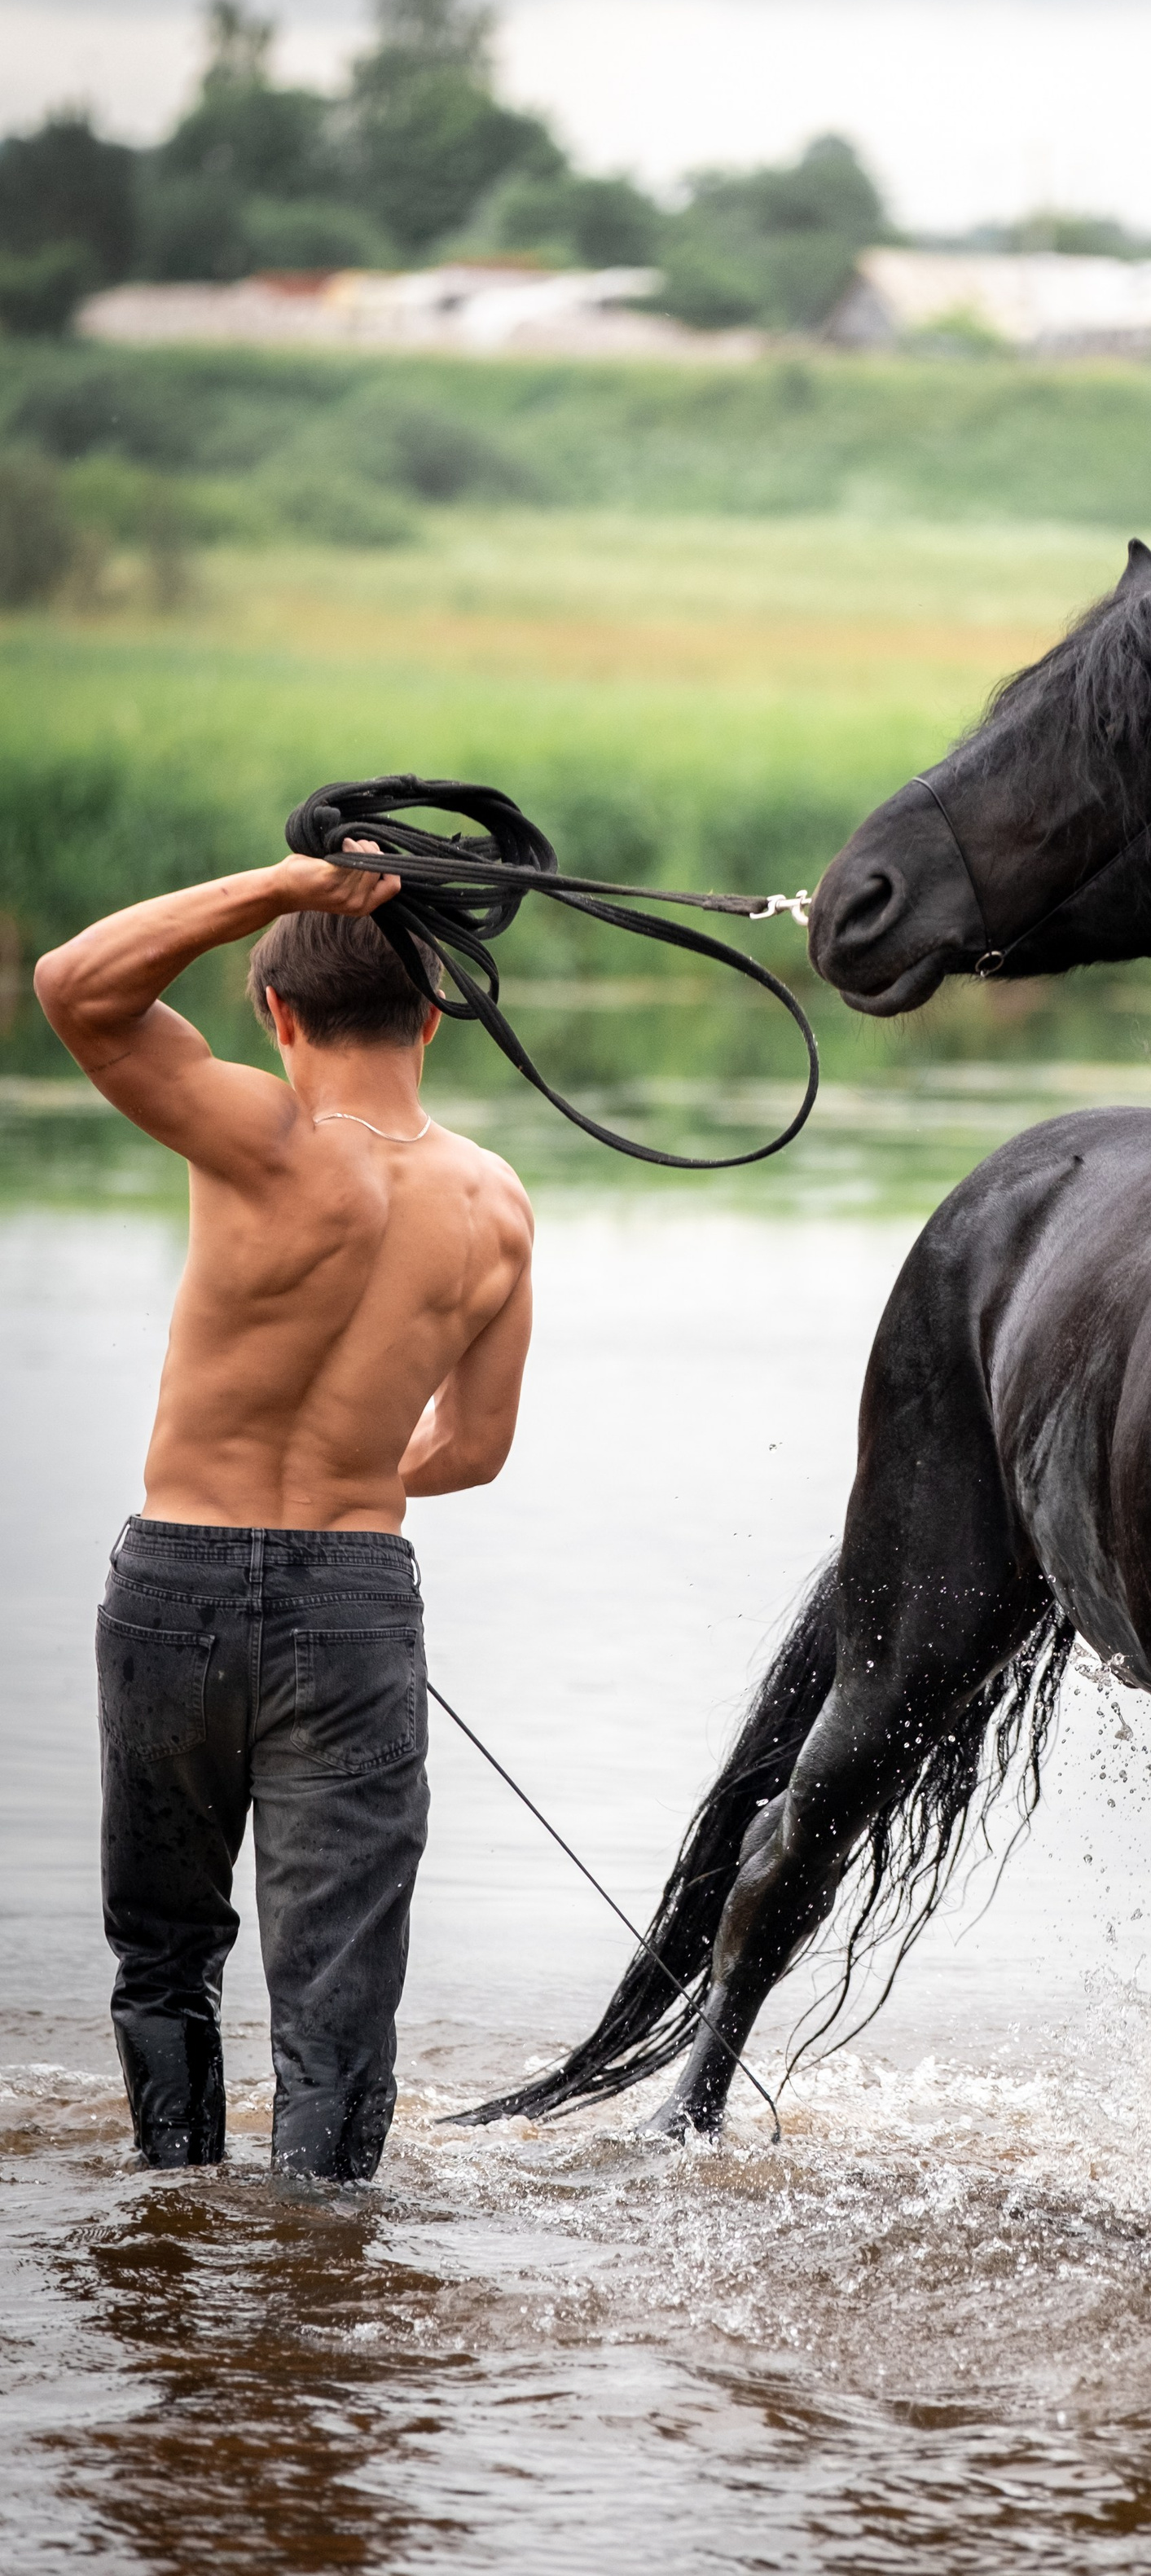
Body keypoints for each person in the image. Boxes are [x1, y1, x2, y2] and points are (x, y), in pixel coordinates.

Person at [33, 849, 534, 2179]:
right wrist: (352, 1482)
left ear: (275, 1016)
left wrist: (278, 885)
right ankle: (323, 2288)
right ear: (433, 1017)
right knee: (336, 2006)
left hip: (174, 1586)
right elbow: (475, 1449)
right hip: (353, 1604)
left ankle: (174, 2215)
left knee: (166, 1955)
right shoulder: (497, 1207)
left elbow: (74, 984)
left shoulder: (258, 1135)